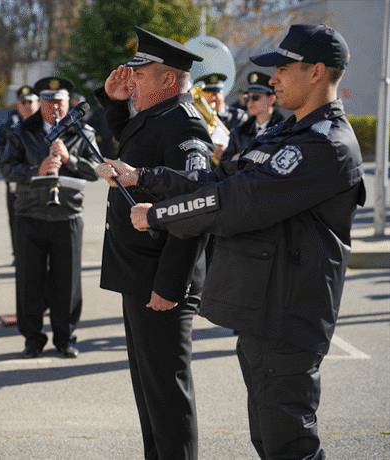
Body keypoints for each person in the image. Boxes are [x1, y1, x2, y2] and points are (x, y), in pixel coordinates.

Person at [99, 24, 364, 460]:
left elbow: (232, 201)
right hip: (263, 307)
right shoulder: (284, 135)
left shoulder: (323, 145)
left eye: (283, 68)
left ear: (316, 72)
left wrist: (158, 214)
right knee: (269, 438)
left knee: (289, 443)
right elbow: (217, 178)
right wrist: (142, 176)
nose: (273, 79)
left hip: (291, 309)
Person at [93, 27, 213, 460]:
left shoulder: (184, 126)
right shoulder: (158, 117)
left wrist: (170, 286)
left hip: (161, 281)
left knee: (167, 396)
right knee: (149, 394)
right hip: (139, 275)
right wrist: (111, 100)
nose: (131, 80)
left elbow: (195, 207)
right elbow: (133, 140)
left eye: (140, 75)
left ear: (166, 80)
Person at [1, 76, 100, 359]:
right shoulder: (22, 131)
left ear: (69, 103)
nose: (55, 107)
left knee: (67, 281)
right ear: (40, 103)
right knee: (29, 280)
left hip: (67, 215)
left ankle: (65, 336)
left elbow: (95, 171)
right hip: (30, 214)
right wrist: (37, 169)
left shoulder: (83, 132)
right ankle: (32, 338)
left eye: (60, 101)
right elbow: (8, 168)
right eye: (49, 101)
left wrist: (71, 160)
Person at [0, 85, 40, 326]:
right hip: (18, 190)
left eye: (31, 102)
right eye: (23, 102)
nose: (27, 106)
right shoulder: (9, 128)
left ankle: (44, 304)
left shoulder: (46, 127)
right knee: (21, 243)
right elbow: (3, 158)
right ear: (18, 105)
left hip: (43, 194)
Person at [223, 71, 285, 161]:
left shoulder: (284, 132)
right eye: (247, 98)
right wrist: (234, 159)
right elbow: (224, 163)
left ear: (271, 99)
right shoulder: (239, 132)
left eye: (256, 97)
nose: (250, 103)